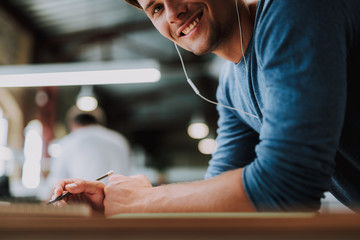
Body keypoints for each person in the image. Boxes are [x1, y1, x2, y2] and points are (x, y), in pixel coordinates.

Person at [51, 0, 360, 215]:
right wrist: (112, 202)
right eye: (156, 7)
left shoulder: (293, 10)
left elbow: (288, 187)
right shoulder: (229, 84)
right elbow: (223, 201)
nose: (173, 12)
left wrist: (143, 201)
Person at [44, 108, 131, 201]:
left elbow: (54, 185)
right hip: (120, 206)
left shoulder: (68, 142)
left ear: (73, 124)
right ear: (98, 123)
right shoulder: (119, 140)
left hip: (85, 208)